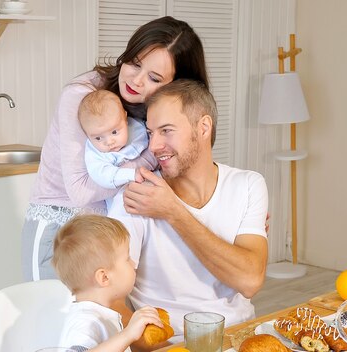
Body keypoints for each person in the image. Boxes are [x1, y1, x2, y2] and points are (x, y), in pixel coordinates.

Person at [21, 16, 209, 281]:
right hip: (62, 231)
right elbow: (80, 190)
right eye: (134, 63)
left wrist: (228, 207)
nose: (137, 80)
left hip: (114, 234)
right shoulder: (83, 98)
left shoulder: (158, 110)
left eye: (154, 77)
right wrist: (145, 163)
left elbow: (186, 164)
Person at [107, 79, 269, 344]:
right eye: (150, 133)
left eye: (166, 131)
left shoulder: (248, 185)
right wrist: (153, 346)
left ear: (203, 127)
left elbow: (250, 279)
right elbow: (109, 300)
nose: (154, 146)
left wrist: (173, 211)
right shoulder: (135, 197)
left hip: (239, 336)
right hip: (171, 343)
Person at [53, 214, 162, 352]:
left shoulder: (102, 313)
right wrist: (127, 335)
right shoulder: (86, 321)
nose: (133, 263)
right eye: (127, 258)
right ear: (104, 277)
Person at [78, 89, 157, 191]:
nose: (109, 142)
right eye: (98, 138)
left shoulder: (138, 127)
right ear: (87, 135)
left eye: (114, 132)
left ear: (125, 118)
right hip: (123, 190)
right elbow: (101, 175)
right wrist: (131, 174)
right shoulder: (95, 152)